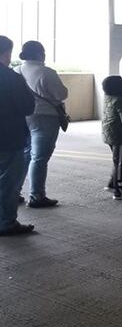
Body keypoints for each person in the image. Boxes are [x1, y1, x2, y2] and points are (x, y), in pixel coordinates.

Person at [15, 41, 69, 208]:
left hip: (23, 116)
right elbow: (61, 94)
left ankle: (14, 192)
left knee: (25, 155)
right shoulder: (46, 72)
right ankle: (37, 195)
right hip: (45, 117)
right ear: (39, 54)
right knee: (39, 157)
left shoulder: (16, 70)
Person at [0, 36, 35, 235]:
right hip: (8, 136)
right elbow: (27, 107)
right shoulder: (11, 77)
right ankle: (6, 222)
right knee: (8, 181)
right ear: (7, 52)